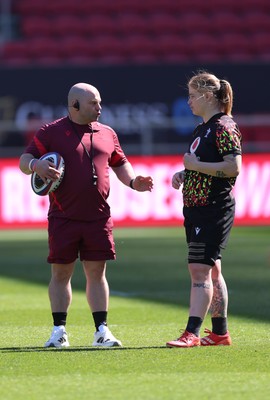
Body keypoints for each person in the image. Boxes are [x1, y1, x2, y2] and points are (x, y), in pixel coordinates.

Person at [19, 82, 153, 348]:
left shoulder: (107, 133)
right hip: (63, 216)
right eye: (94, 103)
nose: (100, 107)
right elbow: (25, 161)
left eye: (100, 102)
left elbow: (120, 163)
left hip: (98, 216)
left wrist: (134, 181)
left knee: (97, 272)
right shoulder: (50, 132)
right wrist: (37, 165)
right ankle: (59, 331)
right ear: (75, 105)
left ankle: (101, 330)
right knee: (61, 273)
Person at [166, 71, 242, 348]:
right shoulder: (203, 128)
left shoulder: (223, 126)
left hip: (212, 207)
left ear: (208, 95)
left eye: (191, 95)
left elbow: (233, 168)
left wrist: (194, 167)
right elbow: (207, 165)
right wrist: (185, 175)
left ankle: (192, 333)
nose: (188, 101)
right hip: (198, 207)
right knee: (212, 271)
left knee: (198, 270)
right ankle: (220, 333)